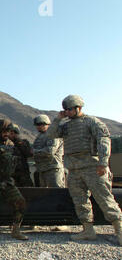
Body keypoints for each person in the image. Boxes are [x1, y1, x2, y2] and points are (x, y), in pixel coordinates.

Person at [46, 95, 122, 245]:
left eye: (69, 109)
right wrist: (57, 120)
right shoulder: (65, 125)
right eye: (65, 110)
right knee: (80, 201)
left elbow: (104, 141)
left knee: (105, 199)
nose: (66, 112)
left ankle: (119, 230)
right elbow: (51, 134)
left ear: (78, 108)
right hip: (74, 169)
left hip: (92, 167)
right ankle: (88, 230)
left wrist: (103, 163)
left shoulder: (92, 122)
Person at [32, 115, 65, 188]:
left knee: (57, 192)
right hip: (42, 169)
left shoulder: (53, 134)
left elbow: (50, 151)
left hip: (52, 169)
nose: (37, 127)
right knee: (45, 195)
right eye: (36, 125)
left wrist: (34, 152)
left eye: (39, 125)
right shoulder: (39, 136)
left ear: (45, 124)